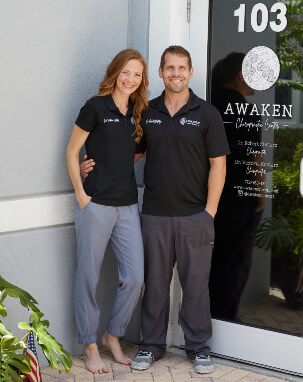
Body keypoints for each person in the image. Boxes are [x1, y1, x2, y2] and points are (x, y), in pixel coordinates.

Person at [81, 45, 229, 374]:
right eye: (169, 68)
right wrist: (93, 167)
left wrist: (210, 212)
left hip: (196, 216)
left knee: (195, 286)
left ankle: (199, 347)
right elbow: (128, 155)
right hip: (154, 215)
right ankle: (151, 346)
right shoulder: (147, 113)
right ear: (161, 73)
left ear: (191, 73)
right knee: (155, 285)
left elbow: (218, 165)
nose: (176, 73)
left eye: (182, 68)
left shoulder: (206, 114)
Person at [66, 49, 149, 374]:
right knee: (88, 276)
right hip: (95, 204)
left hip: (128, 205)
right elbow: (73, 152)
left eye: (137, 75)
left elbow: (136, 153)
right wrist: (81, 194)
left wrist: (113, 166)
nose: (130, 80)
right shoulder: (95, 107)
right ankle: (89, 345)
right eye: (126, 73)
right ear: (115, 72)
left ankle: (112, 334)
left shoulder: (138, 112)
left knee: (135, 278)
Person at [209, 52, 265, 321]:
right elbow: (255, 156)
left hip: (210, 195)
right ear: (241, 75)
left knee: (213, 259)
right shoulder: (245, 109)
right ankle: (227, 319)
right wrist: (260, 196)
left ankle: (210, 316)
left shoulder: (209, 105)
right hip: (239, 197)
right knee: (235, 262)